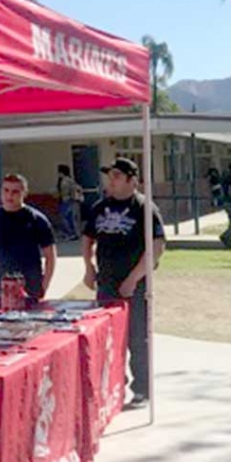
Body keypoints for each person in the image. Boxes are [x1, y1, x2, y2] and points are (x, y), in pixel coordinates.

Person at [82, 157, 165, 408]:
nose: (112, 181)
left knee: (137, 338)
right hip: (106, 283)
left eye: (117, 176)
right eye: (110, 176)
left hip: (135, 285)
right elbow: (87, 238)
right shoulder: (100, 207)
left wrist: (133, 279)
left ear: (132, 180)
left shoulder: (144, 208)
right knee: (108, 337)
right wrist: (88, 267)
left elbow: (157, 247)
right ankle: (113, 385)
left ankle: (142, 390)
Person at [0, 173, 57, 308]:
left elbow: (50, 255)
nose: (9, 195)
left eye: (15, 191)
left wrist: (44, 285)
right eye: (6, 190)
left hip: (30, 288)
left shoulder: (37, 219)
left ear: (24, 193)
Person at [56, 163, 82, 240]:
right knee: (69, 218)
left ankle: (71, 233)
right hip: (69, 201)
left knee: (66, 218)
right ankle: (72, 233)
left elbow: (67, 192)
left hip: (68, 201)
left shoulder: (66, 181)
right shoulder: (69, 180)